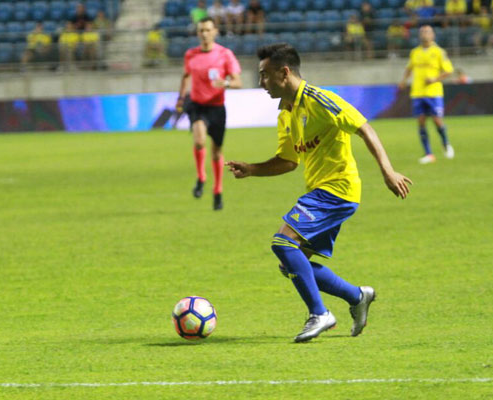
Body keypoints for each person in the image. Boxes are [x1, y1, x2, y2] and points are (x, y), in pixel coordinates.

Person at [226, 44, 412, 343]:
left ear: (284, 72)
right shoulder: (287, 114)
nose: (260, 83)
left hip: (337, 189)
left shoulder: (320, 100)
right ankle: (357, 296)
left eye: (264, 75)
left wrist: (388, 171)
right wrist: (252, 168)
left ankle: (320, 314)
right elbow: (288, 161)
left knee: (283, 242)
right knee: (290, 262)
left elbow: (364, 128)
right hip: (322, 191)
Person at [176, 17, 242, 210]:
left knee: (216, 153)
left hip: (217, 107)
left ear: (215, 32)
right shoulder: (191, 55)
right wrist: (181, 98)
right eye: (201, 30)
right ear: (198, 33)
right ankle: (201, 176)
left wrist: (226, 83)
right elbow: (185, 76)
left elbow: (238, 82)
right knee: (199, 140)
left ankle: (217, 190)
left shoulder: (225, 54)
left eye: (207, 30)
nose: (204, 34)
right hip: (197, 105)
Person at [399, 25, 454, 164]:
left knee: (437, 120)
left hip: (433, 92)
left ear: (433, 35)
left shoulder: (439, 52)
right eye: (422, 32)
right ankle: (429, 153)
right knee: (421, 122)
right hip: (417, 92)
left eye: (427, 32)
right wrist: (403, 81)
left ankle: (446, 143)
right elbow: (409, 68)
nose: (424, 34)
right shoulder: (414, 52)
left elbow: (448, 70)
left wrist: (434, 79)